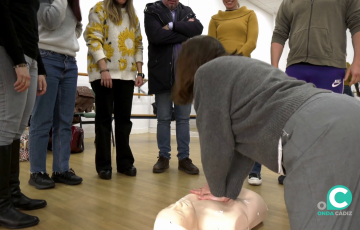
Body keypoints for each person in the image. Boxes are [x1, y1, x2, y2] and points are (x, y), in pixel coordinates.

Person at [173, 36, 360, 230]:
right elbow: (245, 147)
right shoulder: (245, 67)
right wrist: (228, 190)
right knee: (350, 217)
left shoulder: (206, 73)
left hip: (319, 133)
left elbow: (215, 140)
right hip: (347, 110)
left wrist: (215, 188)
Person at [271, 0, 360, 184]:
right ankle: (296, 170)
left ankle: (327, 174)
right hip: (296, 67)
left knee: (328, 123)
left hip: (330, 66)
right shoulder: (289, 1)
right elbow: (280, 32)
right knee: (294, 123)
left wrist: (358, 60)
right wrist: (274, 67)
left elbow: (357, 23)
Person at [0, 0, 48, 228]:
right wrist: (18, 59)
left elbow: (30, 25)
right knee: (6, 126)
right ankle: (2, 204)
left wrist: (40, 67)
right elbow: (3, 14)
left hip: (29, 55)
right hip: (10, 53)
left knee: (19, 127)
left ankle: (13, 193)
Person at [84, 0, 144, 180]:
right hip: (103, 74)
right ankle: (103, 165)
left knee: (124, 120)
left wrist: (140, 72)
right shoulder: (99, 8)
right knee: (103, 120)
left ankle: (125, 163)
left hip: (127, 75)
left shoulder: (133, 15)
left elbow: (138, 44)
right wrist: (104, 69)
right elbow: (93, 39)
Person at [28, 0, 83, 189]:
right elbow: (50, 21)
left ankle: (61, 169)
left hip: (70, 61)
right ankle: (37, 172)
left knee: (65, 120)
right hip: (46, 57)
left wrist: (69, 40)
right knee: (42, 119)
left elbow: (78, 26)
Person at [144, 0, 203, 174]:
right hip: (161, 74)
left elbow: (197, 29)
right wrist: (185, 31)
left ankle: (184, 158)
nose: (172, 1)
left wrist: (170, 26)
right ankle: (163, 157)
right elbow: (156, 36)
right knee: (163, 118)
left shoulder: (187, 10)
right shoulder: (152, 10)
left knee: (183, 119)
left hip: (184, 76)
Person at [209, 0, 262, 186]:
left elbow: (251, 42)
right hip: (222, 73)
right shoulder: (215, 19)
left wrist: (235, 59)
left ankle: (254, 171)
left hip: (243, 70)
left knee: (249, 121)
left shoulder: (249, 15)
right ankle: (227, 170)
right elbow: (211, 46)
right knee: (225, 124)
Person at [154, 188, 267, 230]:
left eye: (170, 206)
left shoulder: (186, 203)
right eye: (179, 212)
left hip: (231, 191)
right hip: (251, 199)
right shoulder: (226, 224)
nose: (177, 205)